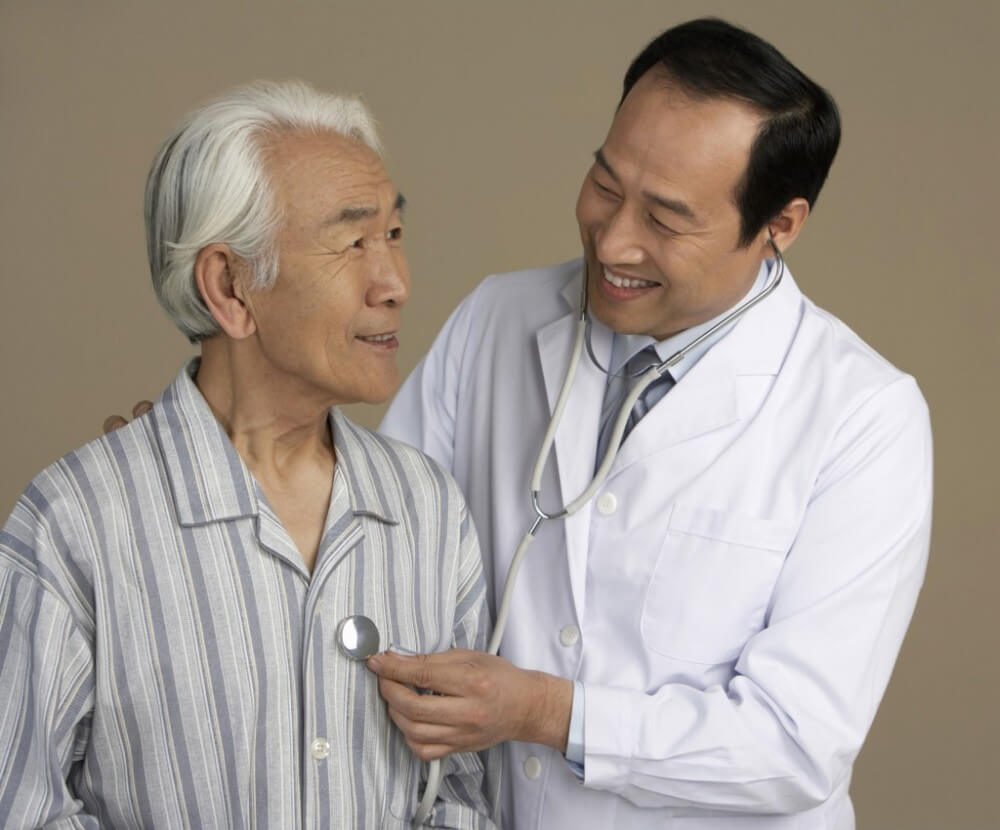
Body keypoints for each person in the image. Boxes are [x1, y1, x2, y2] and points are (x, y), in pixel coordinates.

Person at [368, 17, 932, 830]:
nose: (613, 241)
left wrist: (546, 711)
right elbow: (378, 543)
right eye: (605, 185)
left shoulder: (862, 416)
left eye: (666, 220)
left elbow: (795, 746)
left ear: (780, 226)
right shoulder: (498, 316)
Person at [0, 81, 497, 829]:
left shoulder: (427, 508)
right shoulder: (75, 524)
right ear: (230, 287)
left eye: (393, 233)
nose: (395, 283)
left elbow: (461, 793)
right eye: (352, 241)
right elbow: (22, 808)